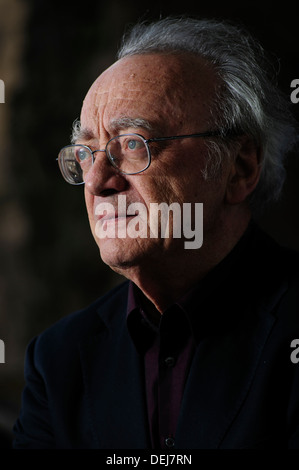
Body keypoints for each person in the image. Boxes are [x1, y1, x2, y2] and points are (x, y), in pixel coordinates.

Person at [13, 16, 299, 449]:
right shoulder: (57, 360)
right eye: (86, 154)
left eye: (132, 144)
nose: (96, 183)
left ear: (239, 168)